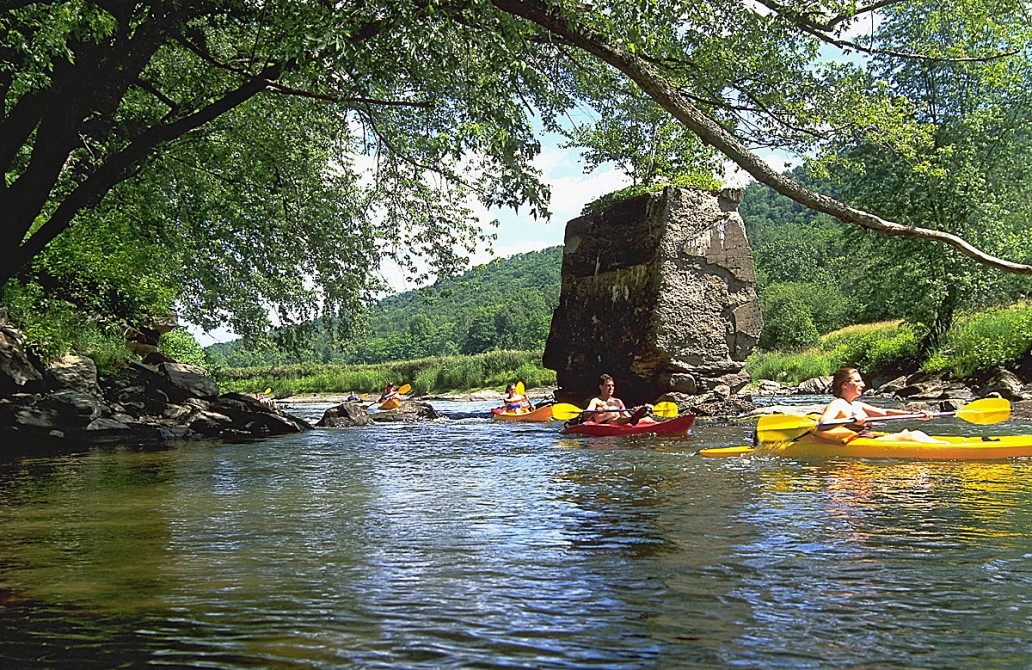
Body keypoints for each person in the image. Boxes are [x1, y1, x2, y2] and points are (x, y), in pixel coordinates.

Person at [815, 367, 944, 444]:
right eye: (858, 381)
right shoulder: (837, 404)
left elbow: (885, 413)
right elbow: (822, 424)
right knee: (911, 435)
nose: (863, 385)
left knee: (916, 434)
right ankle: (945, 447)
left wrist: (916, 415)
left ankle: (944, 445)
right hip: (857, 444)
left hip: (868, 440)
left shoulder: (857, 405)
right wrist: (853, 420)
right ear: (845, 385)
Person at [583, 374, 652, 425]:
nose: (611, 388)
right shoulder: (595, 401)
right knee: (617, 420)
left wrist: (635, 413)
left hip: (622, 422)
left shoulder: (618, 401)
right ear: (601, 387)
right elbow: (586, 416)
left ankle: (661, 425)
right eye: (608, 386)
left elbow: (627, 416)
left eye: (612, 386)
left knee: (647, 419)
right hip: (606, 423)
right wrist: (595, 411)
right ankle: (633, 419)